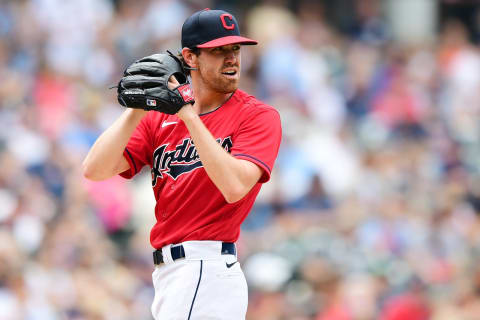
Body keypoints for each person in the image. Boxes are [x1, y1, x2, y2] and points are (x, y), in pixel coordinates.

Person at [82, 8, 282, 320]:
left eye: (235, 49)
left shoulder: (257, 116)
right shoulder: (158, 119)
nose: (232, 59)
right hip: (171, 276)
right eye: (219, 51)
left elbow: (235, 187)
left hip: (206, 267)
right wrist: (139, 106)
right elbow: (95, 169)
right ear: (190, 58)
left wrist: (186, 112)